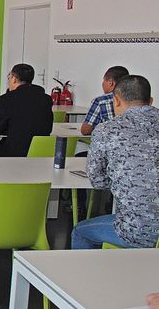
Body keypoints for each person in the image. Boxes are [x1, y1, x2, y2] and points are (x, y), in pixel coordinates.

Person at [71, 75, 159, 249]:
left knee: (80, 232)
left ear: (116, 100)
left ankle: (86, 276)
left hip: (137, 229)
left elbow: (97, 180)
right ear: (150, 101)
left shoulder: (107, 129)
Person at [0, 63, 53, 157]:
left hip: (13, 153)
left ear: (14, 78)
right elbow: (48, 128)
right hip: (40, 153)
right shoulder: (46, 99)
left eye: (9, 76)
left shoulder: (6, 99)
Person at [80, 66, 129, 135]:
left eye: (104, 80)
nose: (102, 83)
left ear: (110, 82)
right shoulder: (134, 99)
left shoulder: (100, 101)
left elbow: (85, 131)